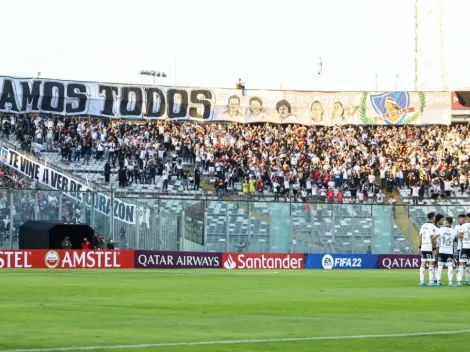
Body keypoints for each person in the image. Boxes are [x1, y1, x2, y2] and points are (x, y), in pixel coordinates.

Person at [436, 216, 457, 286]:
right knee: (450, 266)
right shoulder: (454, 231)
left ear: (446, 222)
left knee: (439, 266)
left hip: (441, 250)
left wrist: (436, 245)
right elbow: (456, 239)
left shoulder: (441, 229)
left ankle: (438, 282)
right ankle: (450, 282)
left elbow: (433, 237)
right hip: (449, 251)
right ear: (451, 223)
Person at [419, 212, 439, 286]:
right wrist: (435, 247)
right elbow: (432, 238)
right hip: (429, 246)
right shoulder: (432, 226)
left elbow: (420, 237)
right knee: (431, 263)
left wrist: (420, 247)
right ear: (433, 217)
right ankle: (431, 281)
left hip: (423, 246)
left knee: (423, 263)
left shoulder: (423, 225)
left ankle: (422, 281)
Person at [456, 213, 470, 286]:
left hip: (465, 246)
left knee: (461, 264)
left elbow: (459, 235)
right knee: (469, 265)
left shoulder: (464, 225)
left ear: (467, 218)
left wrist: (462, 239)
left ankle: (459, 281)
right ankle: (468, 280)